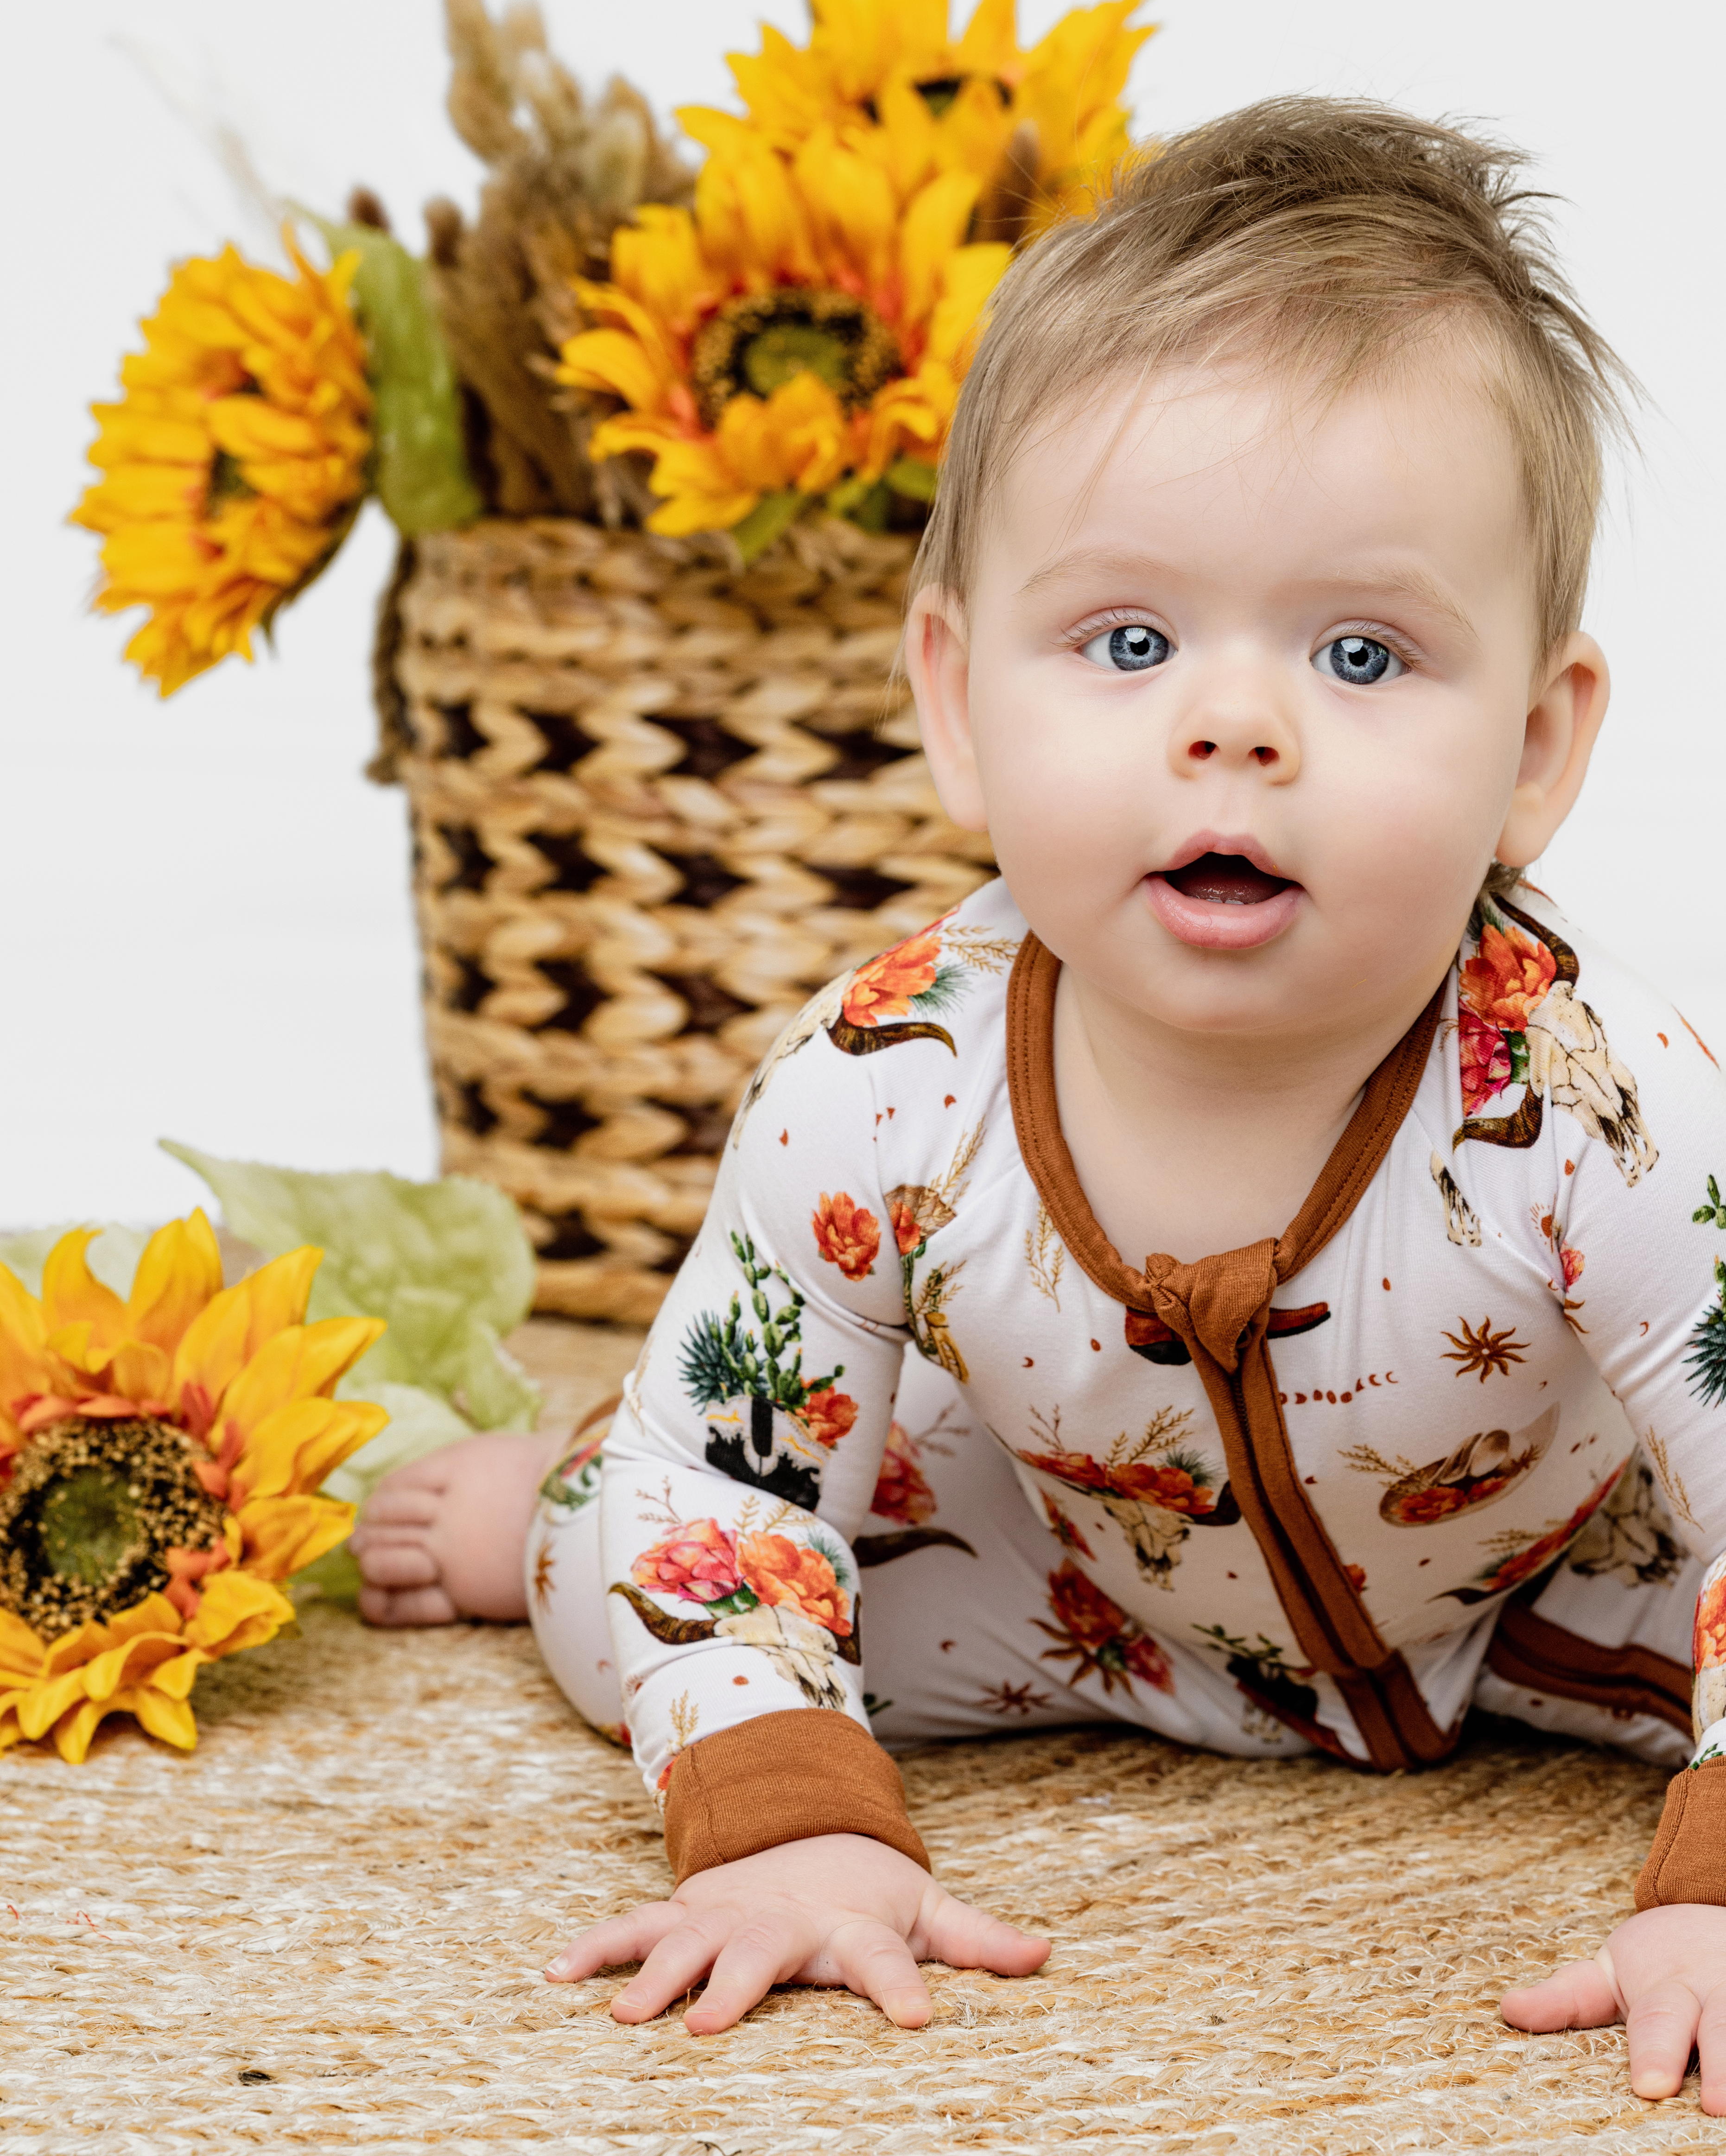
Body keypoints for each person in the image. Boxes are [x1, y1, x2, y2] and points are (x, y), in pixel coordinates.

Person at [348, 97, 1726, 2106]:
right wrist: (788, 1807)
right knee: (646, 1548)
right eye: (1129, 637)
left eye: (1360, 650)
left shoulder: (1594, 1106)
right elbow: (738, 1500)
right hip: (1065, 1591)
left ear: (1531, 749)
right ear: (956, 700)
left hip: (1540, 1594)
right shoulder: (879, 1084)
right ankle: (536, 1501)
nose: (1232, 721)